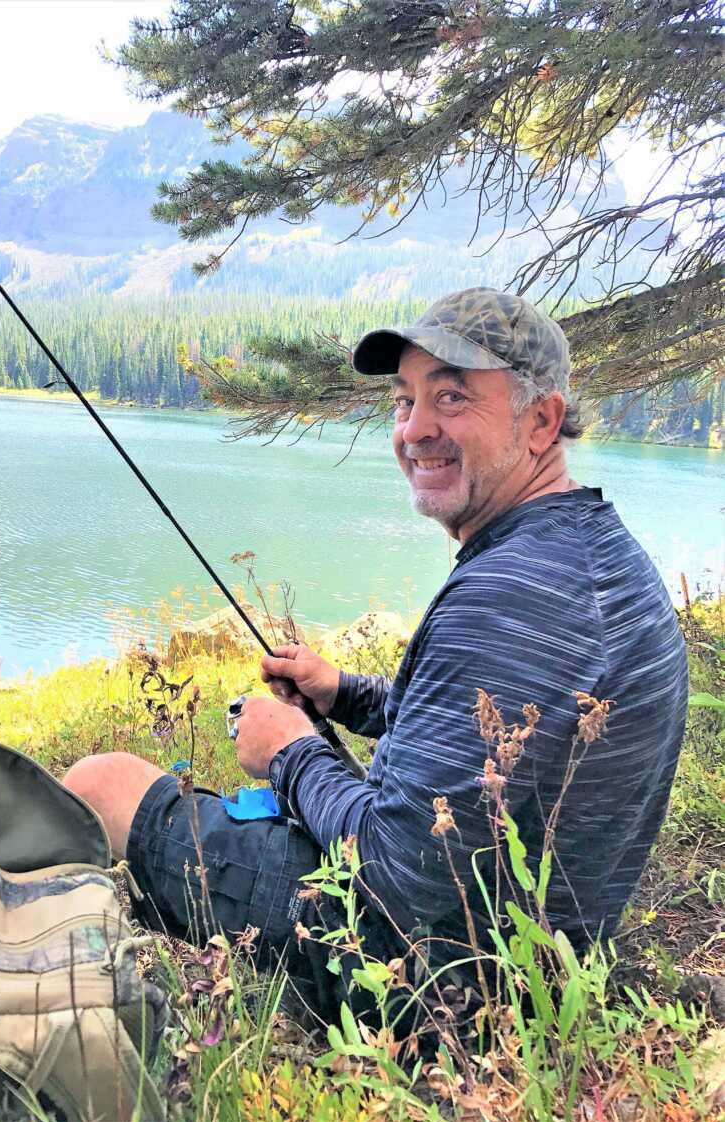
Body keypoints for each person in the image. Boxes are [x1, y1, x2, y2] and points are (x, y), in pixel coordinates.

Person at [63, 287, 688, 1027]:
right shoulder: (591, 553)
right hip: (533, 959)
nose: (415, 430)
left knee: (103, 781)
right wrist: (341, 693)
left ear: (540, 420)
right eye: (404, 401)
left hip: (422, 983)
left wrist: (291, 752)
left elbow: (398, 872)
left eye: (452, 398)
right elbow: (483, 734)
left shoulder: (507, 593)